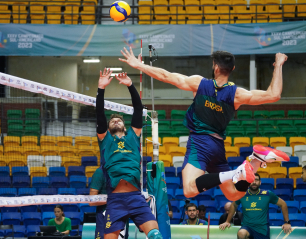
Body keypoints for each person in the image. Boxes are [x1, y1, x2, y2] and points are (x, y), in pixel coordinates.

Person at [119, 48, 290, 202]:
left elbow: (166, 76)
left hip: (200, 143)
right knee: (234, 194)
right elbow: (273, 95)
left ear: (215, 67)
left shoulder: (199, 83)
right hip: (217, 146)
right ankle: (255, 161)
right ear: (233, 69)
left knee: (189, 189)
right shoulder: (237, 94)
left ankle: (236, 173)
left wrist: (138, 65)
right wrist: (279, 65)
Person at [96, 68, 162, 239]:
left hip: (135, 197)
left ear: (125, 126)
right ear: (108, 127)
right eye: (112, 120)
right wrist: (101, 88)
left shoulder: (133, 136)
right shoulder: (105, 141)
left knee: (155, 235)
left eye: (119, 119)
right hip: (115, 200)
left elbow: (138, 109)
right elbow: (99, 114)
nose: (116, 120)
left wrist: (130, 85)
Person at [219, 173, 291, 239]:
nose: (254, 182)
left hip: (262, 229)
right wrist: (227, 221)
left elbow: (283, 204)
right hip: (247, 227)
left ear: (260, 182)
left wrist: (286, 222)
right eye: (252, 180)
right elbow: (233, 205)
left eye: (256, 180)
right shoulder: (242, 194)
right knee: (241, 234)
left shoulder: (267, 194)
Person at [90, 167, 129, 239]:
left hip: (122, 214)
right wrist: (113, 199)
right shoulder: (100, 172)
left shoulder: (125, 171)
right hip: (105, 215)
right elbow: (91, 201)